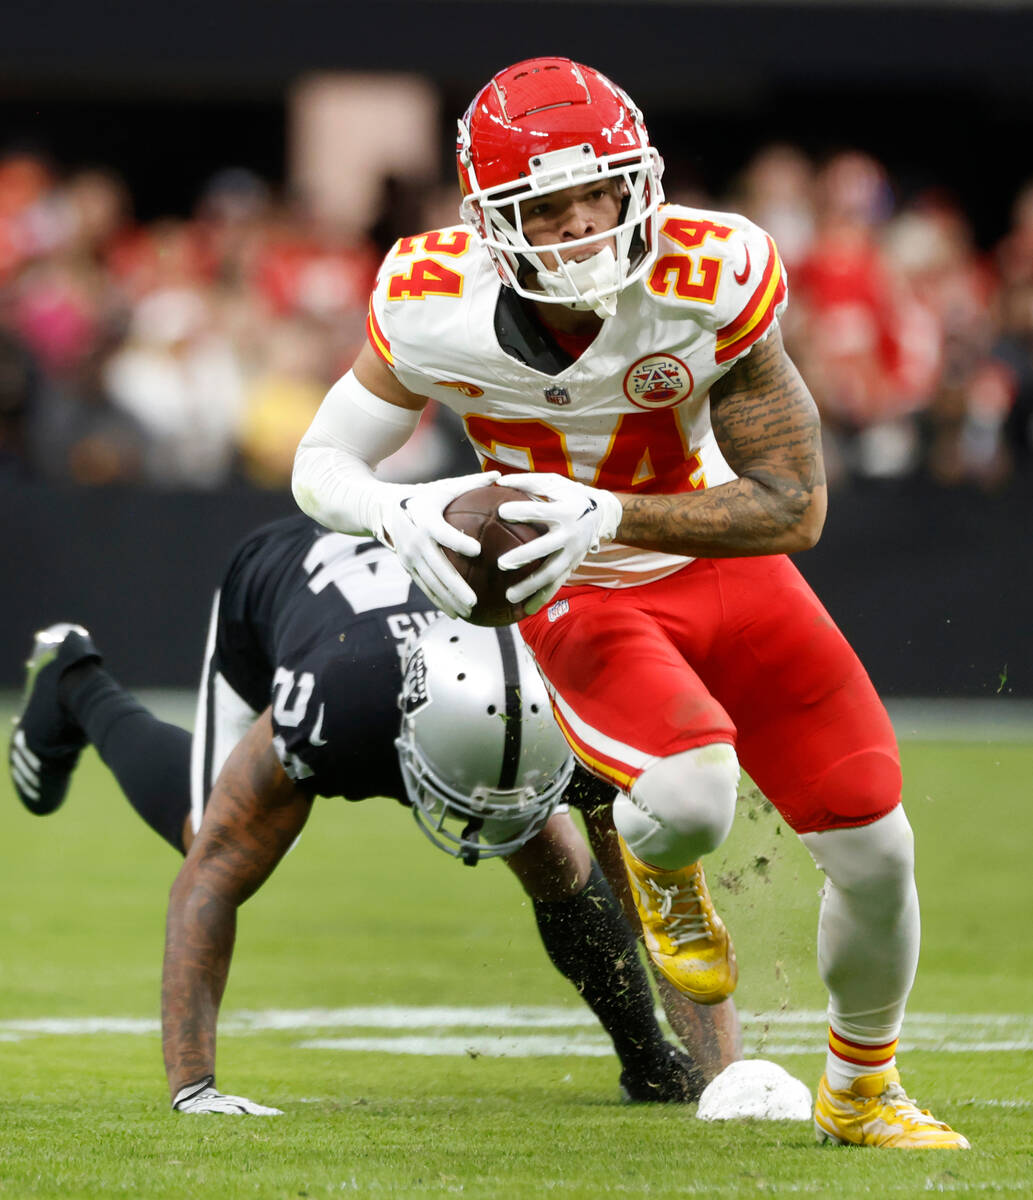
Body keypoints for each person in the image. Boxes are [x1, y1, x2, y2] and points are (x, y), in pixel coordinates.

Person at [291, 56, 969, 1149]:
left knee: (878, 849)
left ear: (637, 180)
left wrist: (603, 512)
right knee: (693, 799)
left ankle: (862, 1088)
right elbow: (321, 459)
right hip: (577, 595)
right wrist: (396, 512)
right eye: (547, 207)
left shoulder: (711, 273)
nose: (585, 225)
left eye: (602, 192)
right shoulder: (431, 301)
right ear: (490, 221)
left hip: (713, 560)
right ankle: (661, 872)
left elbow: (793, 507)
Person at [8, 513, 739, 1114]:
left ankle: (645, 1061)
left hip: (458, 618)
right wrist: (194, 1090)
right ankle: (77, 682)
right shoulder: (334, 705)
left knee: (552, 850)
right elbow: (209, 882)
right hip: (283, 586)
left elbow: (663, 908)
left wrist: (723, 1079)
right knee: (215, 831)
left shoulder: (581, 705)